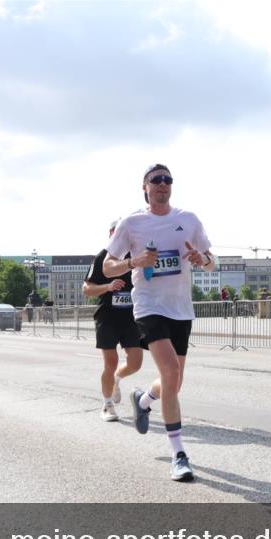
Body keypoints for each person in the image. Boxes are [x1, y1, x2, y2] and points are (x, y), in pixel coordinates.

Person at [103, 163, 215, 482]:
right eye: (156, 180)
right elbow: (109, 267)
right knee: (171, 372)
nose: (162, 184)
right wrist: (134, 261)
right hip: (149, 306)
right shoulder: (132, 223)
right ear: (145, 187)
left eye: (167, 180)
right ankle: (178, 454)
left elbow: (211, 262)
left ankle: (143, 399)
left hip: (180, 307)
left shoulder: (188, 220)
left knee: (173, 383)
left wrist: (202, 260)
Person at [83, 220, 144, 422]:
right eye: (115, 232)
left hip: (131, 317)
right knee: (111, 362)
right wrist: (108, 287)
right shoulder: (103, 257)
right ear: (110, 234)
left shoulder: (136, 255)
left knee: (135, 363)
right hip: (108, 316)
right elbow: (87, 289)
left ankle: (117, 380)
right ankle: (107, 404)